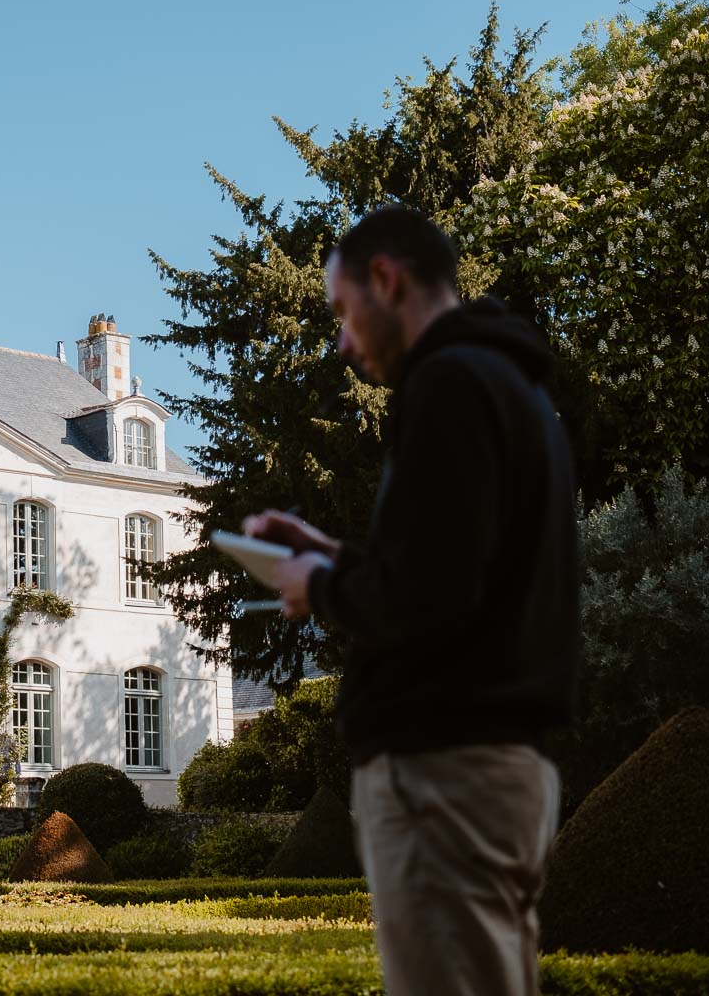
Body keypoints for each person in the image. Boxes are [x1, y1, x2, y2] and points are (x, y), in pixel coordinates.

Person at [244, 206, 579, 996]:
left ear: (386, 280)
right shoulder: (510, 387)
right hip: (495, 765)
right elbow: (461, 574)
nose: (340, 341)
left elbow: (429, 597)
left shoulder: (450, 384)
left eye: (340, 311)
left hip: (444, 771)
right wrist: (334, 556)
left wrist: (318, 585)